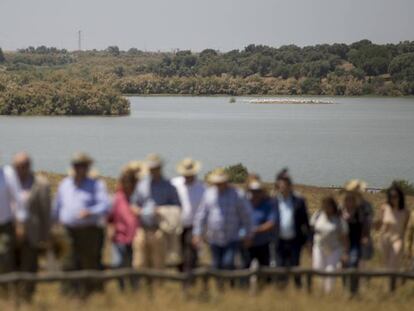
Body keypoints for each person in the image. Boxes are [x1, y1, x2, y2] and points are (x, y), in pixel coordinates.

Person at [53, 152, 110, 297]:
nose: (79, 168)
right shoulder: (65, 184)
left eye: (83, 166)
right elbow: (57, 206)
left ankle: (91, 294)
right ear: (73, 167)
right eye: (77, 165)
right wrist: (54, 223)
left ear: (87, 167)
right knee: (68, 261)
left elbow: (105, 205)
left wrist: (90, 212)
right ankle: (68, 294)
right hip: (68, 229)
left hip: (89, 231)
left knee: (89, 262)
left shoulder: (96, 185)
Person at [192, 168, 254, 270]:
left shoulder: (238, 194)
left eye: (221, 182)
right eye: (217, 183)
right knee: (216, 265)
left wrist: (248, 234)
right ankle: (220, 285)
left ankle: (230, 284)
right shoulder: (209, 194)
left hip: (232, 237)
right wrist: (197, 233)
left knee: (228, 262)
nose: (219, 185)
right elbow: (201, 215)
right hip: (214, 238)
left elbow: (247, 216)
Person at [12, 152, 51, 301]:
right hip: (11, 233)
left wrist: (46, 237)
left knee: (30, 268)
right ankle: (11, 298)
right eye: (18, 166)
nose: (21, 169)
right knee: (9, 267)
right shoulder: (8, 182)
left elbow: (46, 213)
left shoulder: (41, 184)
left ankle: (27, 299)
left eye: (24, 165)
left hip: (31, 236)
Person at [131, 153, 180, 269]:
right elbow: (134, 204)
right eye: (151, 168)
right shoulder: (141, 185)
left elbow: (177, 207)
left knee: (158, 263)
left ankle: (157, 286)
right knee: (139, 263)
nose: (153, 170)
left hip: (160, 230)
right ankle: (143, 286)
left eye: (155, 168)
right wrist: (137, 211)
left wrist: (162, 210)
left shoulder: (169, 186)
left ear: (160, 168)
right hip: (142, 229)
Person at [274, 168, 310, 288]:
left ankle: (298, 288)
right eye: (280, 185)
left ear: (290, 186)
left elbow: (305, 222)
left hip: (295, 241)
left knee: (295, 265)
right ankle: (281, 289)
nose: (282, 188)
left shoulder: (299, 202)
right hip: (279, 240)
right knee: (280, 266)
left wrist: (309, 240)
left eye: (285, 185)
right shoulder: (274, 202)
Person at [108, 164, 140, 290]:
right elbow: (110, 217)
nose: (127, 184)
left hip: (135, 237)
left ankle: (134, 289)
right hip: (119, 236)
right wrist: (111, 229)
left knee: (133, 265)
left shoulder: (137, 197)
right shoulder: (117, 198)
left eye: (129, 182)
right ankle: (121, 288)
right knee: (118, 264)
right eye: (125, 182)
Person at [171, 158, 205, 273]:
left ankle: (188, 279)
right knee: (178, 253)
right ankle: (183, 276)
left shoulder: (201, 188)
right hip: (177, 225)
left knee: (190, 253)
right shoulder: (175, 184)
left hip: (193, 226)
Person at [311, 196, 349, 293]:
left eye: (329, 206)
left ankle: (328, 291)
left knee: (331, 270)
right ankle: (320, 290)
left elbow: (344, 236)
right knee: (318, 268)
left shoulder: (339, 220)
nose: (327, 208)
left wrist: (345, 252)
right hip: (319, 247)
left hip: (334, 248)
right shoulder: (318, 215)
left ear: (333, 207)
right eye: (325, 206)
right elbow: (311, 229)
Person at [341, 190, 369, 294]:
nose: (349, 202)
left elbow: (365, 227)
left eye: (351, 200)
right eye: (347, 200)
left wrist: (365, 237)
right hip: (343, 243)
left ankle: (353, 289)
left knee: (353, 263)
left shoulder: (359, 213)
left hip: (355, 243)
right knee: (343, 265)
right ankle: (345, 288)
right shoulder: (341, 212)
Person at [0, 158, 25, 275]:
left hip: (5, 223)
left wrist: (20, 223)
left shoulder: (8, 173)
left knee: (6, 255)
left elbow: (18, 199)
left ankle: (7, 288)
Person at [244, 176, 276, 267]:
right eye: (253, 191)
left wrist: (255, 230)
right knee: (244, 271)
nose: (255, 193)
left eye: (257, 191)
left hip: (263, 244)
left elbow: (272, 222)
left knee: (265, 271)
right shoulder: (244, 203)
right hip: (246, 244)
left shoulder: (268, 204)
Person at [376, 184, 410, 270]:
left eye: (395, 196)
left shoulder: (405, 211)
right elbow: (379, 223)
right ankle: (390, 281)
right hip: (385, 239)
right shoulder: (384, 208)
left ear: (400, 197)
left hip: (397, 239)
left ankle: (392, 280)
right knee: (387, 264)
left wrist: (405, 243)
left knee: (393, 260)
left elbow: (405, 228)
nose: (393, 199)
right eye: (391, 196)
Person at [343, 180, 374, 263]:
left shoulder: (365, 206)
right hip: (345, 237)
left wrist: (365, 236)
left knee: (357, 263)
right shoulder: (345, 203)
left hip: (360, 237)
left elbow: (368, 222)